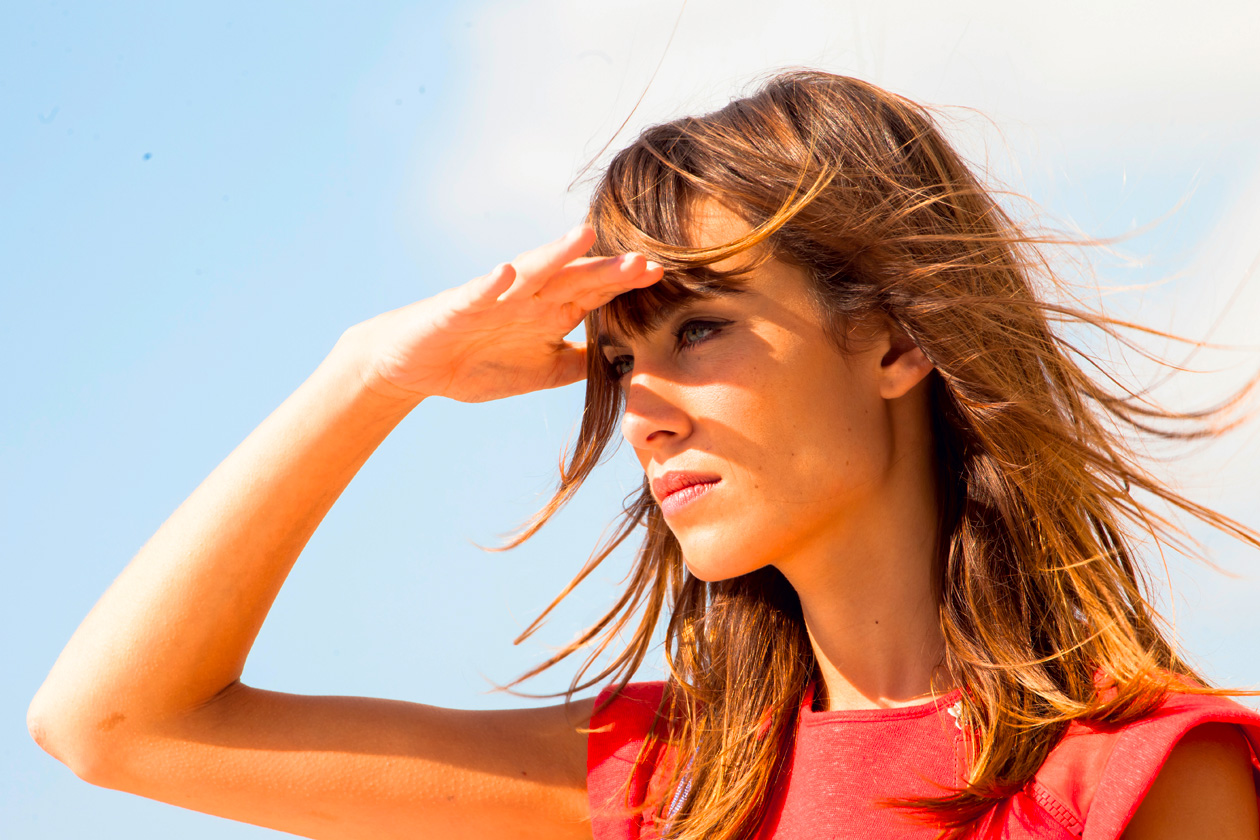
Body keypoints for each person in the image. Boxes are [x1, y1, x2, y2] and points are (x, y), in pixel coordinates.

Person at [27, 70, 1260, 840]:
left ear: (893, 341)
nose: (644, 409)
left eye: (700, 329)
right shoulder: (661, 785)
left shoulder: (1141, 779)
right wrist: (366, 377)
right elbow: (115, 726)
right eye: (622, 361)